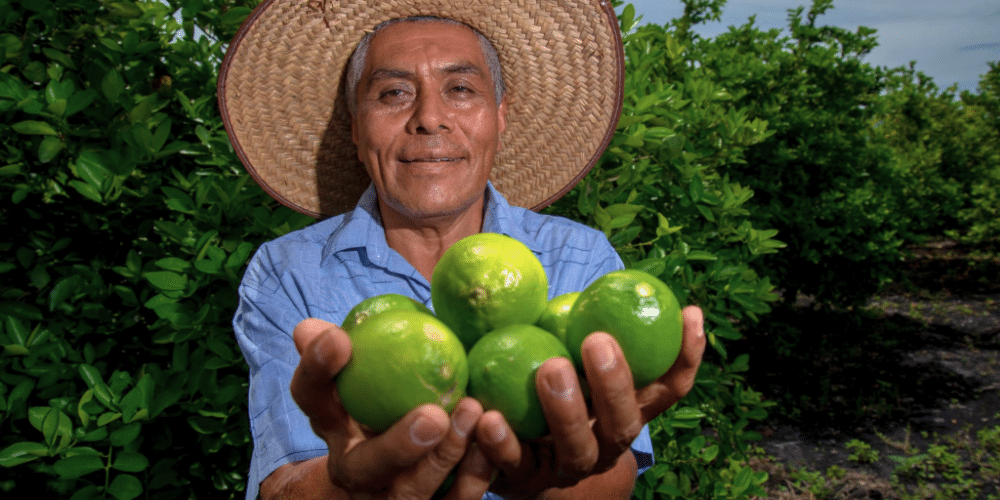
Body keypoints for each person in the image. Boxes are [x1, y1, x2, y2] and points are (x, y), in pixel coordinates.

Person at [219, 1, 707, 499]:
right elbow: (284, 485)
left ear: (499, 115)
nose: (429, 118)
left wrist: (549, 484)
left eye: (460, 89)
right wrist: (352, 487)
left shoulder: (580, 257)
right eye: (393, 93)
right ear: (355, 125)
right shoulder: (287, 272)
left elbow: (616, 473)